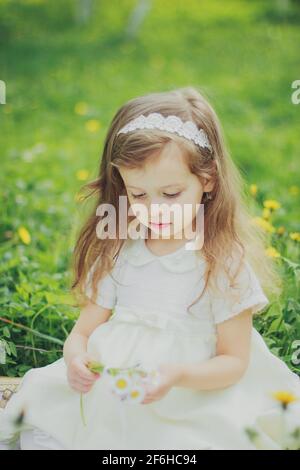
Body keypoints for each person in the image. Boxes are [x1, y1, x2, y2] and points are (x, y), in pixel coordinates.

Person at [1, 86, 299, 450]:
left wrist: (178, 375)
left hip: (195, 396)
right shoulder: (120, 250)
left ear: (207, 180)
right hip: (116, 395)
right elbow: (82, 333)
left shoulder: (220, 262)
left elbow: (234, 361)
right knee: (52, 418)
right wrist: (76, 359)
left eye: (170, 194)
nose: (153, 208)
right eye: (138, 195)